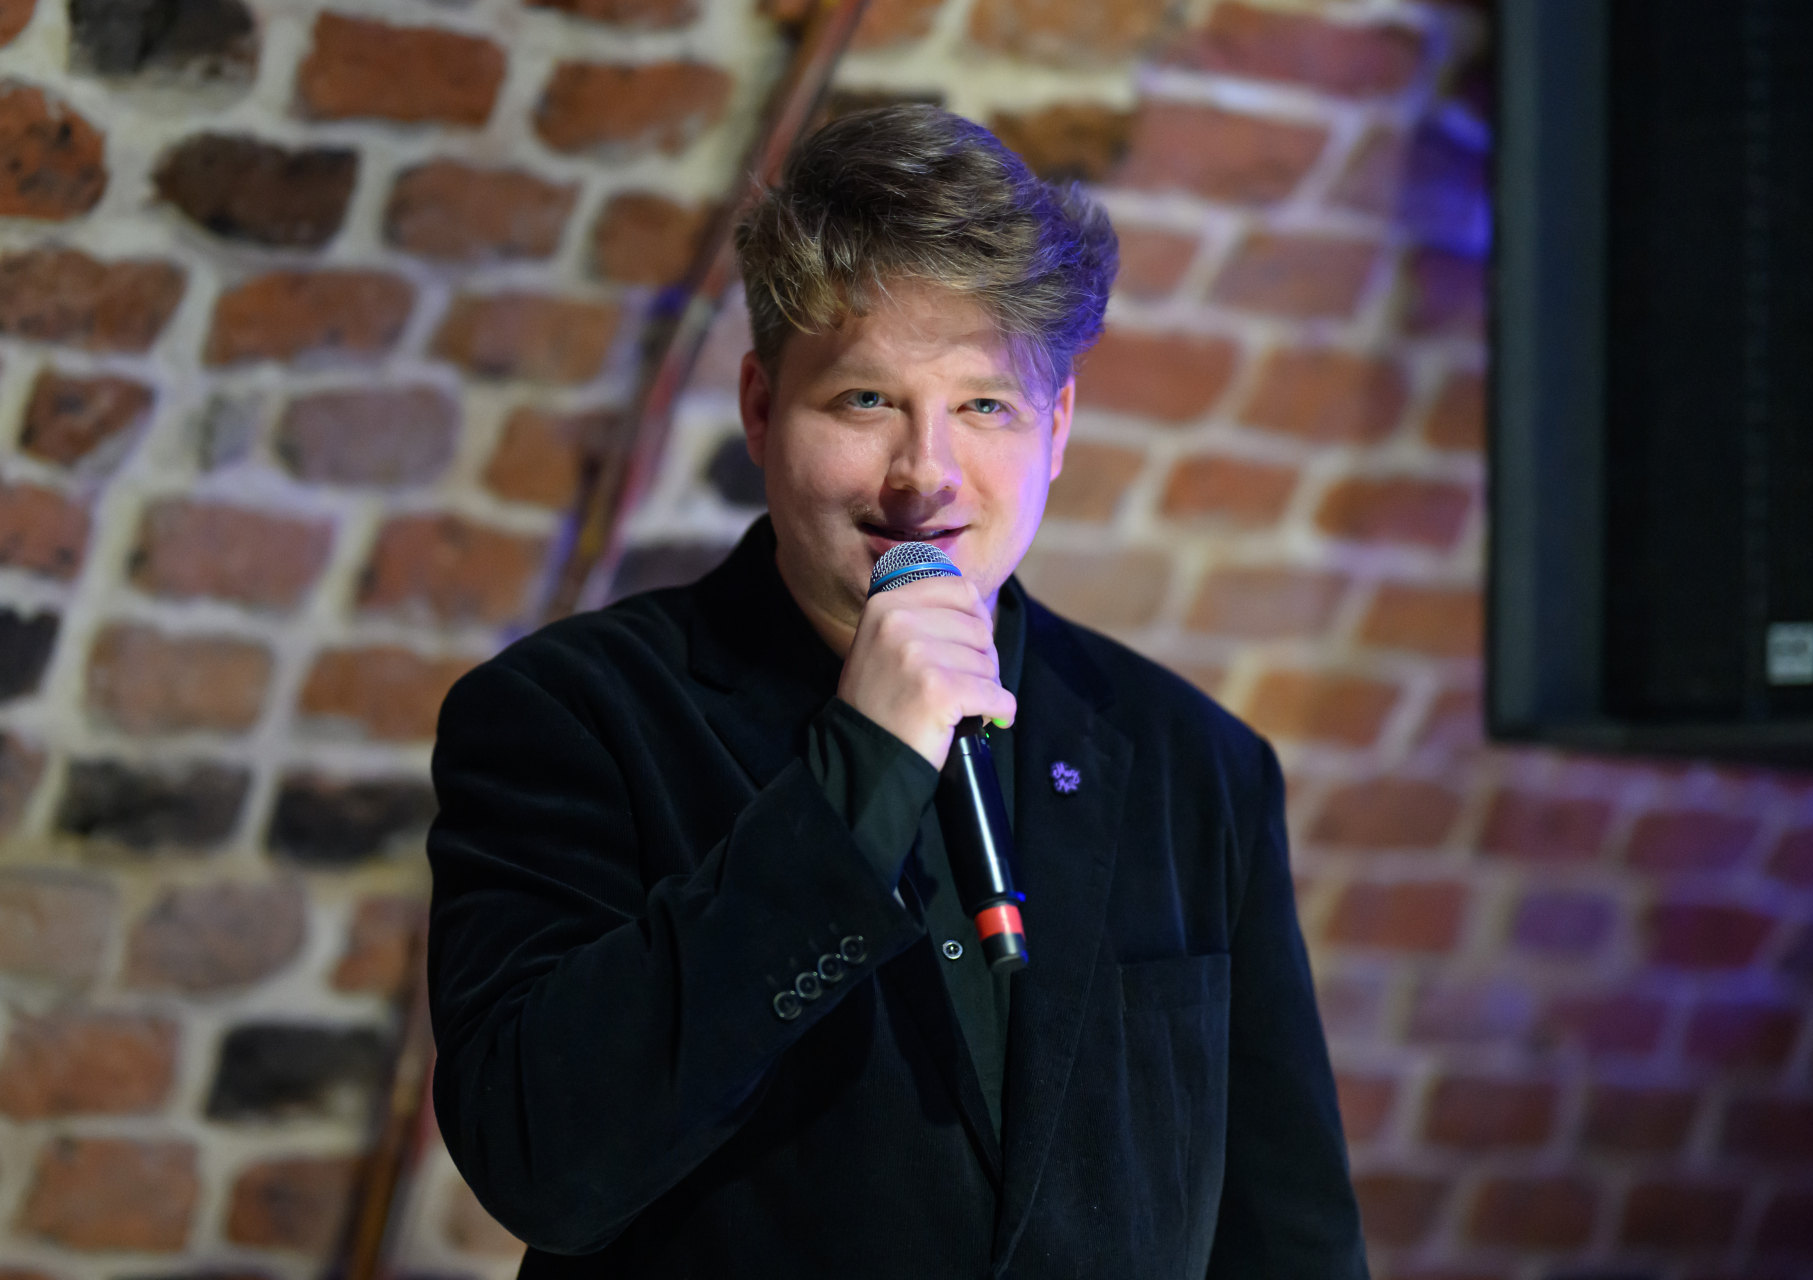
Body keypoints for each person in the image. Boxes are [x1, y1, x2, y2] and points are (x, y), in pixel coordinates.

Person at [426, 104, 1368, 1279]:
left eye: (984, 406)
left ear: (1058, 427)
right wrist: (857, 776)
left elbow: (1291, 1239)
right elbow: (542, 1162)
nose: (926, 475)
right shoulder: (572, 715)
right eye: (865, 400)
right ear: (761, 407)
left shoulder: (1195, 762)